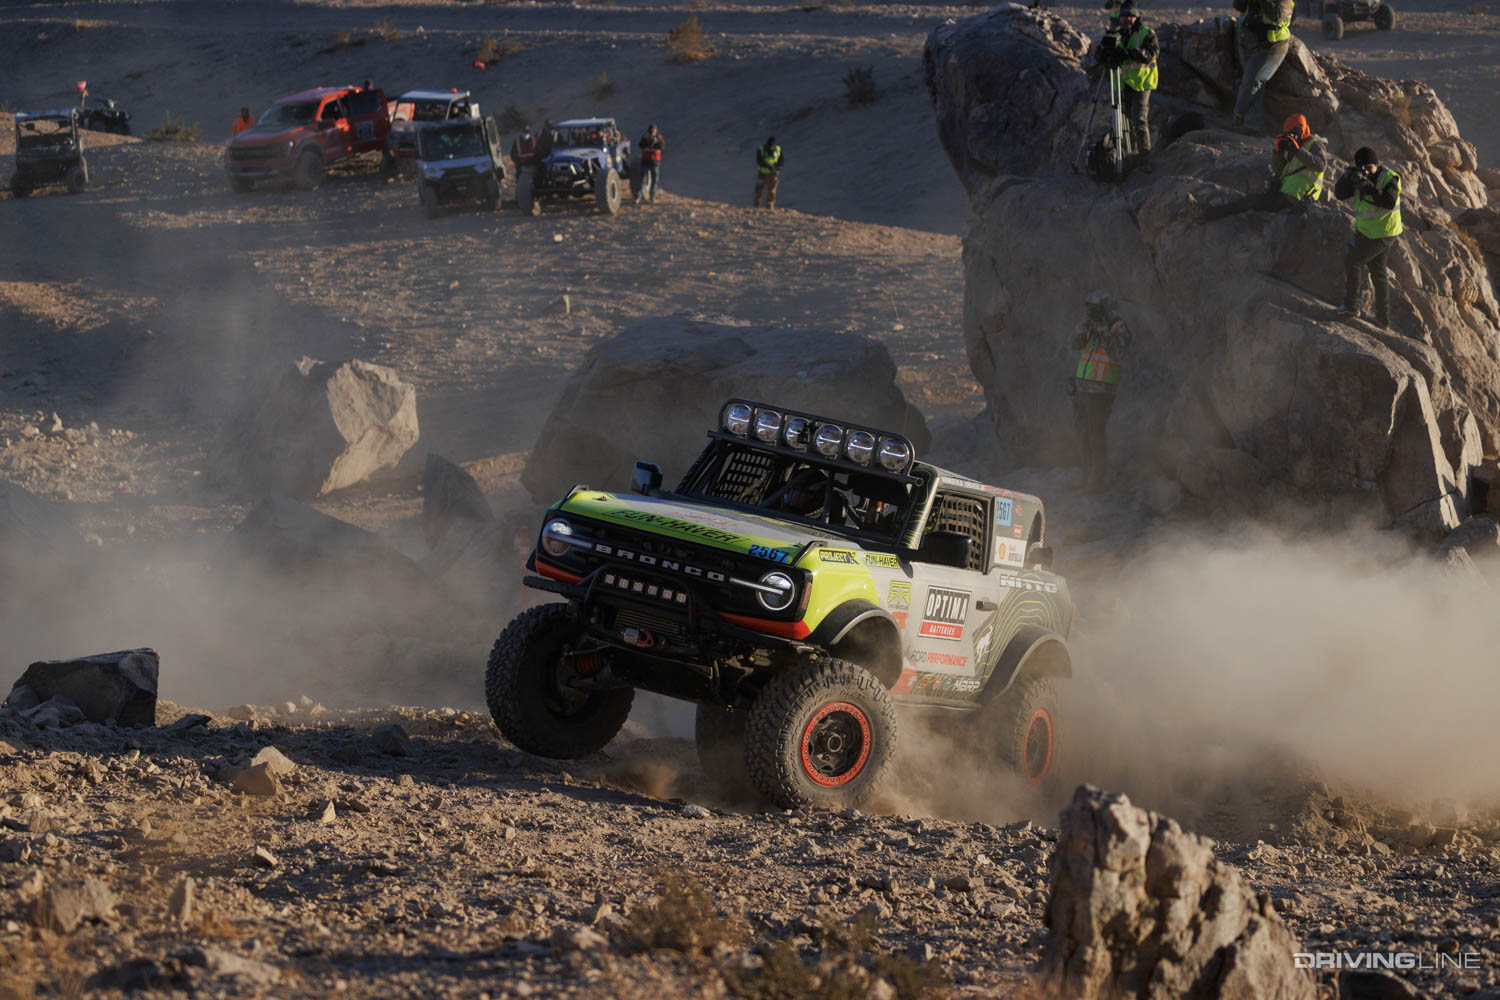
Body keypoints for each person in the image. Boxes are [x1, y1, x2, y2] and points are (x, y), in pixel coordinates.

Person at [1204, 113, 1327, 220]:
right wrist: (1278, 152)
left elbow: (1320, 165)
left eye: (1295, 133)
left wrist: (1297, 150)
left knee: (1248, 202)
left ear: (1303, 130)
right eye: (1289, 134)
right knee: (1248, 201)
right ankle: (1209, 212)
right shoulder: (1293, 145)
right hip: (1286, 194)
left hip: (1300, 198)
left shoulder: (1315, 144)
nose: (1293, 136)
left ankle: (1207, 214)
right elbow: (1277, 170)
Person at [1068, 289, 1133, 492]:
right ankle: (1086, 477)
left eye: (1095, 310)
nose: (1092, 313)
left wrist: (1105, 331)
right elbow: (1075, 343)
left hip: (1101, 392)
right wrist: (1085, 324)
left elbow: (1117, 354)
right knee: (1082, 435)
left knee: (1096, 435)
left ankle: (1096, 482)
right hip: (1083, 390)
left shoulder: (1119, 329)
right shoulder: (1091, 328)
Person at [1333, 147, 1403, 330]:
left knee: (1353, 261)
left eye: (1369, 167)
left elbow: (1389, 201)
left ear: (1377, 165)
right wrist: (1347, 178)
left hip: (1384, 232)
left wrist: (1367, 186)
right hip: (1367, 231)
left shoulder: (1389, 178)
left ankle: (1351, 306)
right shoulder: (1359, 177)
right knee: (1378, 273)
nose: (1366, 171)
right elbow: (1339, 194)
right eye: (1363, 167)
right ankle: (1382, 319)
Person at [1231, 0, 1294, 130]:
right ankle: (1252, 124)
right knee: (1255, 86)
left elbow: (1276, 15)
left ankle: (1239, 118)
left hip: (1272, 47)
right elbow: (1239, 6)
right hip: (1249, 44)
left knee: (1252, 83)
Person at [1112, 1, 1158, 173]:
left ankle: (1145, 157)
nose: (1126, 21)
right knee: (1125, 120)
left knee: (1139, 119)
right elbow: (1102, 55)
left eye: (1130, 17)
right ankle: (1129, 154)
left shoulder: (1147, 34)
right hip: (1123, 83)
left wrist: (1134, 53)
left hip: (1142, 83)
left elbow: (1152, 54)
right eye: (1123, 17)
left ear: (1136, 17)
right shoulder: (1116, 34)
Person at [753, 136, 783, 209]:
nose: (771, 147)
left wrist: (778, 167)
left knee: (772, 190)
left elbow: (781, 160)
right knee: (759, 189)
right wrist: (767, 166)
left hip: (773, 174)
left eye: (772, 146)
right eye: (770, 146)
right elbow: (759, 161)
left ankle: (770, 204)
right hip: (762, 173)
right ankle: (757, 203)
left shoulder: (778, 149)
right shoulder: (761, 149)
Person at [638, 124, 664, 204]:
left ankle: (652, 197)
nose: (653, 132)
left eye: (654, 130)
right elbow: (641, 145)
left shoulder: (659, 138)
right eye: (652, 130)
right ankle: (638, 196)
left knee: (654, 181)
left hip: (655, 162)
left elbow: (662, 146)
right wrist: (648, 140)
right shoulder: (645, 137)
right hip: (646, 162)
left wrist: (656, 141)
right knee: (643, 180)